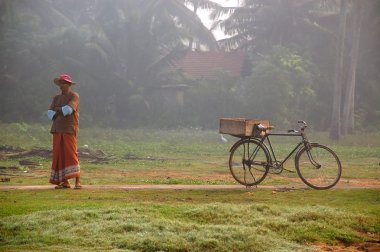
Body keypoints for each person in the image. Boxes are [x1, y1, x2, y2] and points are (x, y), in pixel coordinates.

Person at [47, 74, 82, 189]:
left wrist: (57, 109)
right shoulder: (56, 98)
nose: (62, 85)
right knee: (59, 154)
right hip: (57, 129)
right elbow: (49, 114)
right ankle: (65, 181)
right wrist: (59, 110)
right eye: (61, 83)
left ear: (69, 85)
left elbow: (68, 110)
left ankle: (78, 181)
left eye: (65, 83)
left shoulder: (74, 96)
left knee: (71, 153)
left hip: (69, 129)